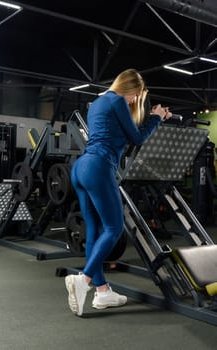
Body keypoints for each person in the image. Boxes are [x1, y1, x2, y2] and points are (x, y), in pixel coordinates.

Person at [65, 68, 171, 316]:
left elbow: (115, 133)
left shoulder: (99, 103)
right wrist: (156, 117)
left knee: (94, 229)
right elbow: (137, 138)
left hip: (81, 167)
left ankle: (102, 293)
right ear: (130, 89)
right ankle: (84, 280)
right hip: (99, 167)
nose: (135, 100)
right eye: (136, 95)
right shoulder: (117, 100)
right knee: (114, 228)